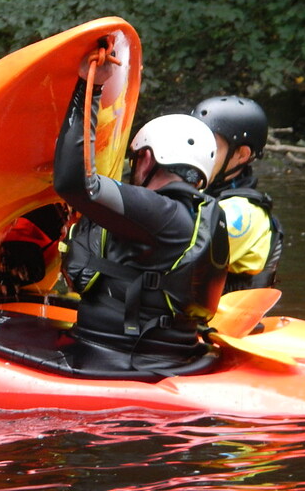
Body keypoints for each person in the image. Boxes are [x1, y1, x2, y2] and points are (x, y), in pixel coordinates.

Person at [53, 45, 229, 379]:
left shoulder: (161, 214)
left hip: (118, 361)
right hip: (161, 355)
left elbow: (75, 183)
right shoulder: (185, 215)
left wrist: (87, 89)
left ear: (147, 159)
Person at [191, 96, 283, 292]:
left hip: (225, 319)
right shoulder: (199, 191)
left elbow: (177, 257)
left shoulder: (244, 212)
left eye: (210, 145)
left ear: (242, 154)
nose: (196, 151)